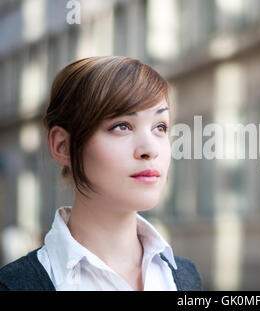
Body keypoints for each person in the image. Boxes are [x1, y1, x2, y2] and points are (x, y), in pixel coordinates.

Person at [0, 56, 202, 291]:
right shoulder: (15, 286)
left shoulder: (185, 277)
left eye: (160, 127)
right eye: (122, 126)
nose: (150, 150)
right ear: (62, 146)